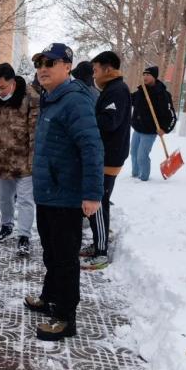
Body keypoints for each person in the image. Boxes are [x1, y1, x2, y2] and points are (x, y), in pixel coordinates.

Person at [24, 43, 104, 341]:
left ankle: (65, 318)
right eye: (39, 62)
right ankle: (50, 297)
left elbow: (92, 148)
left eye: (50, 62)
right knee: (52, 253)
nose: (42, 68)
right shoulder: (52, 98)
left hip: (66, 196)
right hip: (48, 194)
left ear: (67, 66)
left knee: (65, 258)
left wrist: (93, 194)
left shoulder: (75, 101)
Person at [0, 63, 39, 257]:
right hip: (3, 161)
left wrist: (34, 161)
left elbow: (35, 133)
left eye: (2, 87)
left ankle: (24, 236)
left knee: (25, 200)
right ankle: (6, 225)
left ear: (13, 83)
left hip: (25, 163)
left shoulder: (31, 98)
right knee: (4, 199)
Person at [80, 51, 131, 270]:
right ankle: (97, 243)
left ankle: (101, 252)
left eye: (96, 70)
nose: (94, 75)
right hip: (107, 154)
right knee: (97, 201)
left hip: (109, 156)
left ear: (108, 69)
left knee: (98, 203)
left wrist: (87, 118)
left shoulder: (117, 91)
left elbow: (109, 122)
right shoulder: (111, 89)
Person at [131, 66, 177, 181]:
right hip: (137, 129)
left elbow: (171, 116)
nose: (145, 77)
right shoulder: (140, 92)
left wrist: (165, 129)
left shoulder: (163, 95)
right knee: (133, 153)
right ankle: (135, 174)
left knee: (142, 156)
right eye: (144, 75)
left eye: (148, 75)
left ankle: (143, 178)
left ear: (154, 77)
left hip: (150, 131)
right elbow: (129, 100)